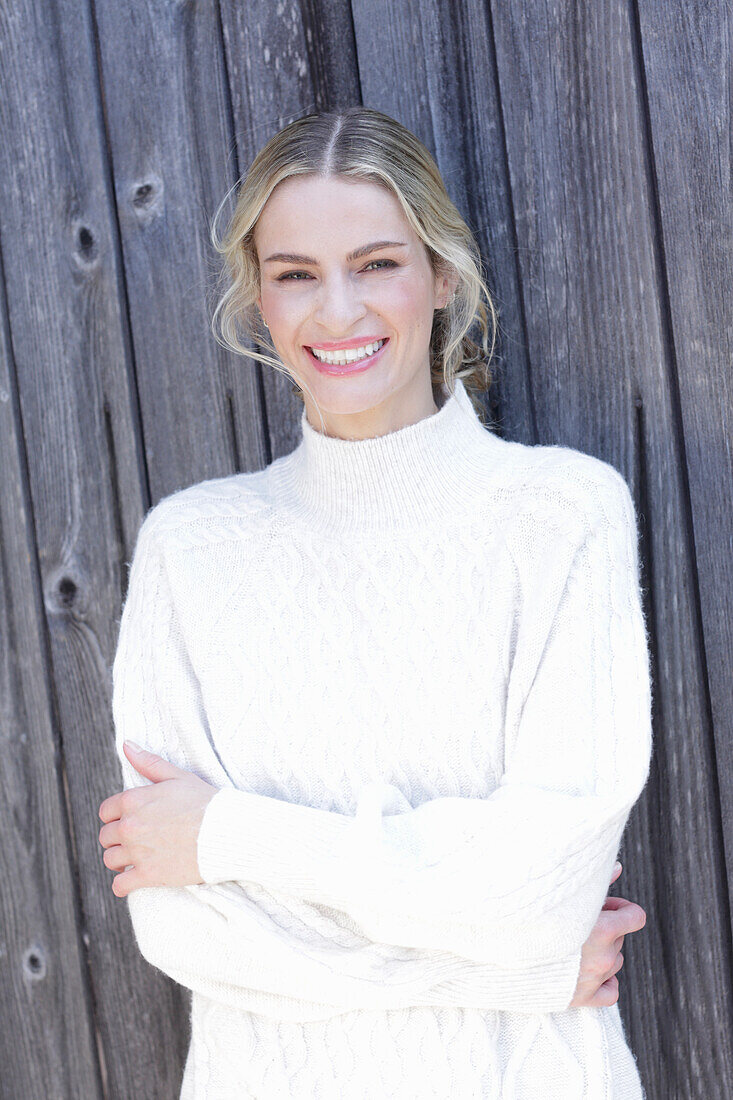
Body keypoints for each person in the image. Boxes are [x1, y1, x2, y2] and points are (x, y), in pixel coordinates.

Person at [98, 106, 652, 1098]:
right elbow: (186, 923)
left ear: (441, 275)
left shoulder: (562, 517)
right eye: (296, 274)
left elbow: (543, 892)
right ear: (257, 298)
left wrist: (231, 833)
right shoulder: (192, 549)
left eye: (377, 263)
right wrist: (514, 969)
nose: (338, 311)